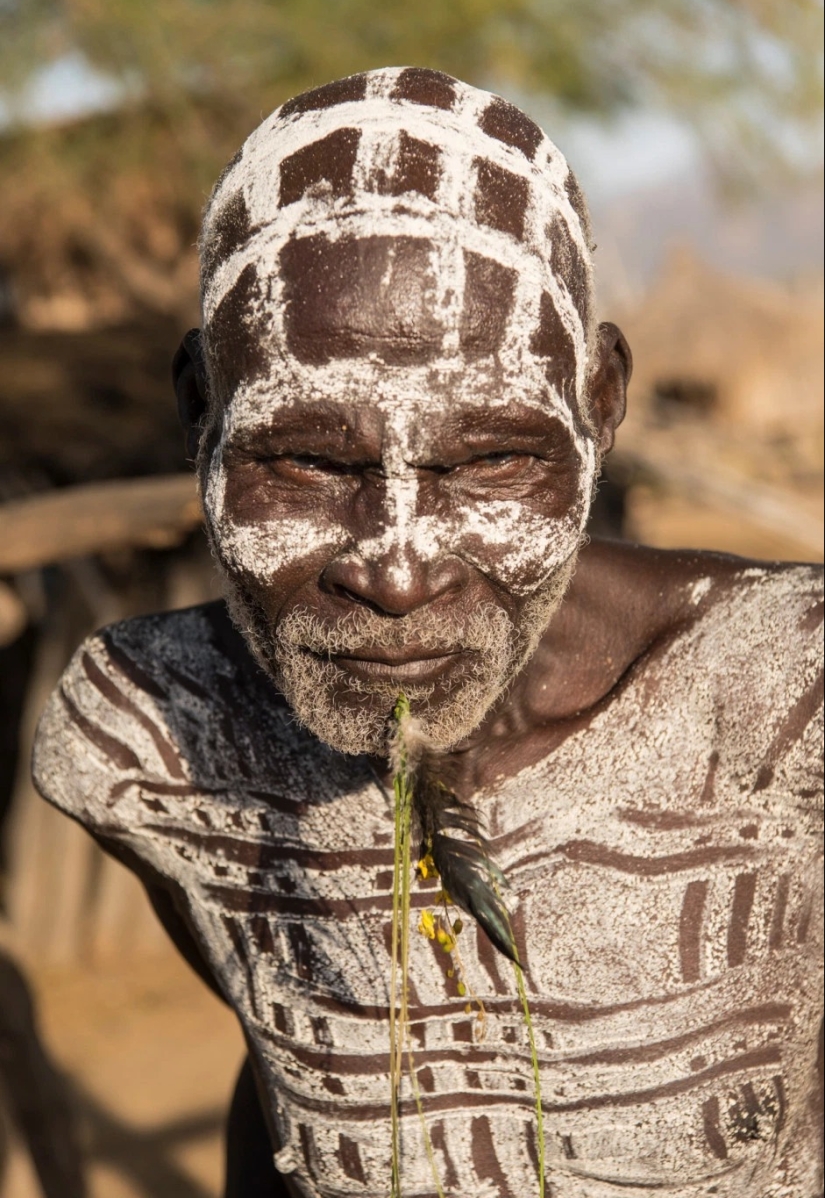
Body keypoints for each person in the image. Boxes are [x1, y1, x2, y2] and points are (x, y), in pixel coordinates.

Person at [33, 68, 822, 1198]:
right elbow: (280, 1073)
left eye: (491, 459)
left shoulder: (786, 703)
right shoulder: (149, 745)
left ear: (599, 405)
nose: (398, 571)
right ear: (203, 413)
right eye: (307, 460)